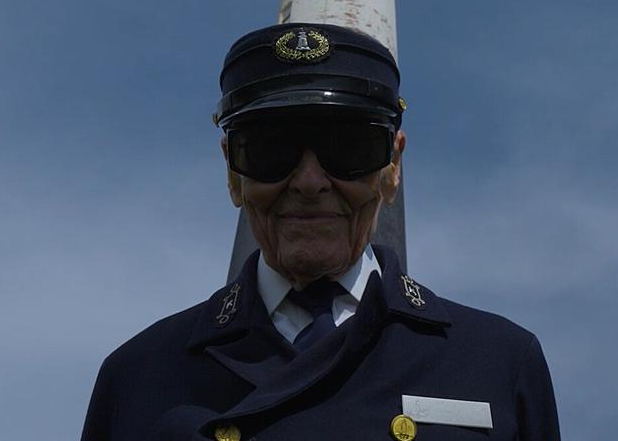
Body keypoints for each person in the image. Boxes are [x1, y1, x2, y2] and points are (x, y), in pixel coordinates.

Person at [80, 23, 560, 440]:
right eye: (270, 149)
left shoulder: (498, 363)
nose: (310, 183)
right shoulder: (138, 378)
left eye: (348, 147)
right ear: (232, 174)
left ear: (393, 168)